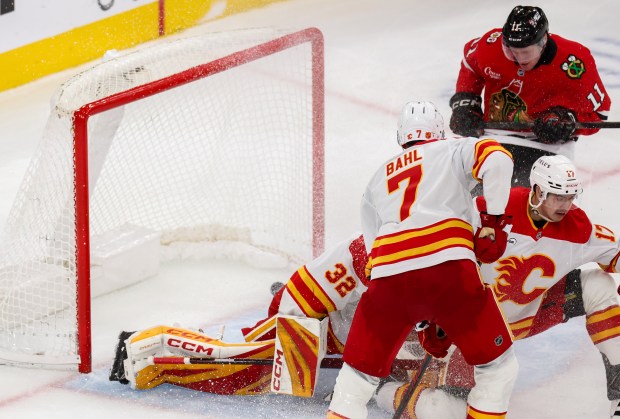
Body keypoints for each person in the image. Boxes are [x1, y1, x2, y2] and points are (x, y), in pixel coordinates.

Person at [375, 154, 620, 418]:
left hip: (530, 315)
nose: (565, 205)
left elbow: (614, 256)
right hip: (470, 327)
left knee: (599, 286)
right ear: (537, 190)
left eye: (570, 197)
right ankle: (384, 391)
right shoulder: (491, 210)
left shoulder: (579, 228)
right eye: (557, 196)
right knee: (441, 410)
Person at [327, 101, 518, 419]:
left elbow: (380, 260)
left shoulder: (376, 179)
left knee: (356, 382)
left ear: (401, 137)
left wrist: (422, 319)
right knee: (497, 367)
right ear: (440, 132)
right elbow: (498, 160)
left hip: (388, 284)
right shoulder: (453, 148)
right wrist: (493, 222)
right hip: (450, 272)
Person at [109, 232, 372, 394]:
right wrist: (288, 337)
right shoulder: (371, 250)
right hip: (320, 316)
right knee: (248, 374)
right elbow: (306, 294)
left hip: (355, 332)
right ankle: (151, 351)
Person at [449, 5, 611, 187]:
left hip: (548, 146)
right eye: (511, 51)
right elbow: (471, 66)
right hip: (494, 137)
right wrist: (465, 104)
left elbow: (600, 113)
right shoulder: (490, 44)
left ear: (543, 41)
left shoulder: (575, 62)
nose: (518, 59)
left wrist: (567, 122)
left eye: (525, 52)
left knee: (535, 206)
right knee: (466, 198)